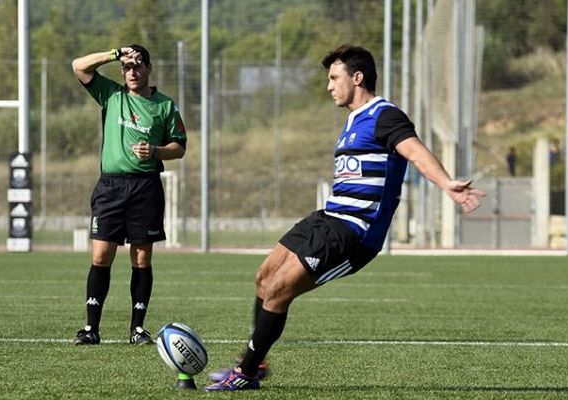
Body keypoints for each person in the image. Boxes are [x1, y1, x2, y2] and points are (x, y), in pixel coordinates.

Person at [205, 45, 485, 391]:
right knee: (263, 278)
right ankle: (257, 361)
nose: (329, 86)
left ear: (357, 77)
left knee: (278, 291)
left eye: (334, 78)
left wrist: (447, 184)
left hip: (354, 234)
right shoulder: (352, 121)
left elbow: (414, 151)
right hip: (327, 217)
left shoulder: (385, 115)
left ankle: (245, 373)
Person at [71, 44, 187, 346]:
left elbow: (180, 147)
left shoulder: (164, 106)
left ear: (149, 68)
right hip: (110, 187)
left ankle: (137, 329)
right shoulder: (112, 95)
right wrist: (113, 55)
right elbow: (79, 66)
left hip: (145, 187)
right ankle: (91, 328)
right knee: (100, 255)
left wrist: (157, 151)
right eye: (127, 67)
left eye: (137, 65)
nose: (132, 72)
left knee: (141, 258)